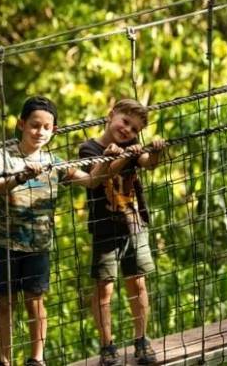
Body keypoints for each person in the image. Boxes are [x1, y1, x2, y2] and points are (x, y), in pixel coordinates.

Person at [0, 96, 97, 366]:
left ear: (54, 130)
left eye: (47, 127)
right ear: (21, 124)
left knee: (34, 301)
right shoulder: (4, 155)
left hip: (39, 246)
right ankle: (4, 360)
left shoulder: (55, 162)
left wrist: (113, 158)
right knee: (5, 303)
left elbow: (93, 180)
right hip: (7, 244)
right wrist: (20, 177)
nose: (40, 132)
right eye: (35, 125)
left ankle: (36, 359)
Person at [79, 99, 165, 366]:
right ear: (110, 115)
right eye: (125, 122)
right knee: (104, 289)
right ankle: (107, 345)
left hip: (134, 225)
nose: (128, 130)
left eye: (135, 129)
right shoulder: (89, 148)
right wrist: (122, 156)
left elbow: (148, 162)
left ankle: (141, 339)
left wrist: (157, 152)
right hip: (105, 229)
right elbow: (98, 176)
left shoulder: (131, 148)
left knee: (137, 282)